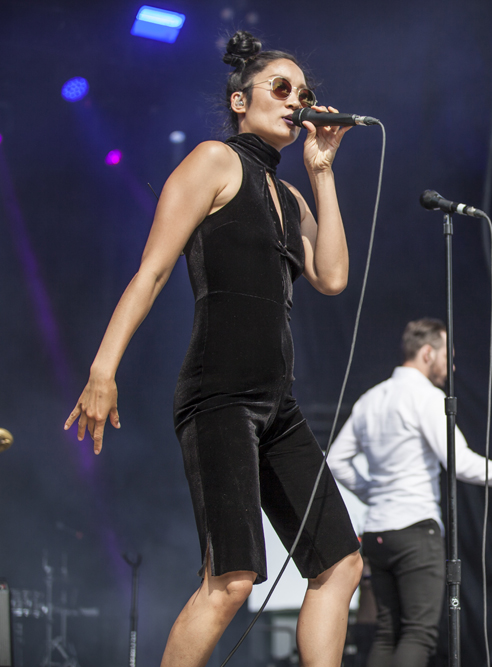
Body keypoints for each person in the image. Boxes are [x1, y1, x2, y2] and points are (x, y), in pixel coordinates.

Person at [64, 31, 363, 667]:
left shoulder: (290, 195)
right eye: (280, 88)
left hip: (277, 405)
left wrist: (322, 171)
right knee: (231, 580)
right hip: (219, 394)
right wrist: (102, 367)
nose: (296, 101)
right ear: (239, 100)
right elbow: (151, 271)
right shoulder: (213, 161)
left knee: (340, 563)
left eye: (303, 93)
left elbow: (333, 277)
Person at [327, 318, 492, 667]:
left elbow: (336, 461)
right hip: (416, 531)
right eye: (447, 356)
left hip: (377, 533)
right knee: (419, 633)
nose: (451, 366)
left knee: (388, 632)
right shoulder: (426, 398)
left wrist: (374, 493)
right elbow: (461, 463)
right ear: (427, 352)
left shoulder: (370, 399)